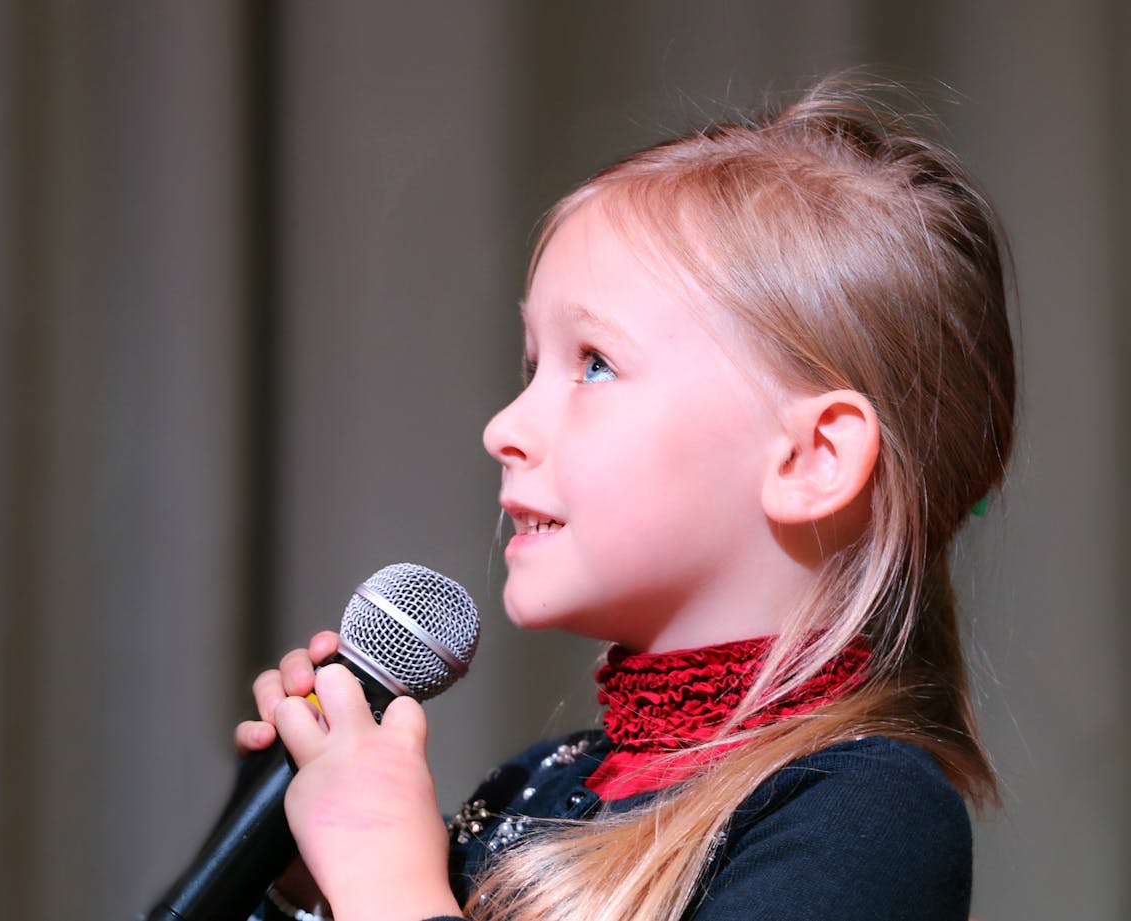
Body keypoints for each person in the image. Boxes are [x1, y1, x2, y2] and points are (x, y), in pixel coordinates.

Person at [235, 76, 1016, 921]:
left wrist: (389, 886)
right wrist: (310, 891)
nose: (503, 426)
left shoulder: (864, 811)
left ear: (811, 455)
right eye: (532, 366)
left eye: (595, 363)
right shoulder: (530, 787)